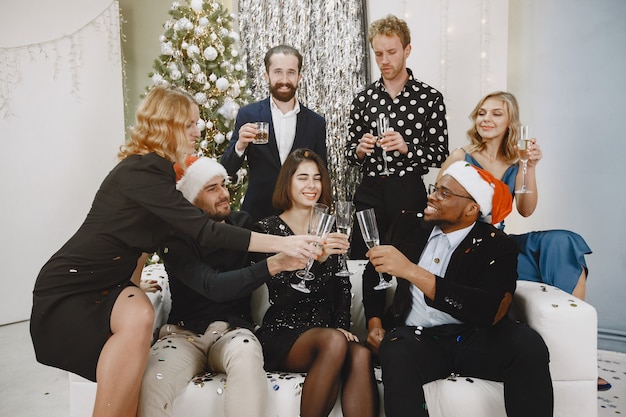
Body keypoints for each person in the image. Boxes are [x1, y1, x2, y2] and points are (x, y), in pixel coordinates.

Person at [29, 86, 321, 417]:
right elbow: (207, 231)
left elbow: (139, 245)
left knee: (138, 318)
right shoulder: (144, 169)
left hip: (110, 283)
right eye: (189, 125)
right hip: (74, 283)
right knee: (134, 336)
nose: (197, 131)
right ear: (166, 125)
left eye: (196, 123)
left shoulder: (161, 175)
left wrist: (134, 285)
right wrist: (284, 244)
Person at [438, 91, 608, 390]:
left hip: (501, 243)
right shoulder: (460, 157)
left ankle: (577, 358)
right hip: (467, 246)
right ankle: (560, 361)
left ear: (510, 122)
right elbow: (437, 209)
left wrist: (530, 167)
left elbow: (526, 210)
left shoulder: (516, 160)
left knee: (565, 244)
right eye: (482, 113)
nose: (486, 119)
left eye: (496, 114)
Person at [363, 160, 553, 417]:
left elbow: (490, 311)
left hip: (475, 336)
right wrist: (374, 324)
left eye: (445, 193)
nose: (431, 196)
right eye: (435, 188)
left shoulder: (496, 245)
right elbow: (373, 272)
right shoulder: (408, 224)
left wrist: (412, 271)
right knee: (395, 351)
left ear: (472, 208)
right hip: (417, 338)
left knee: (528, 344)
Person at [138, 156, 306, 417]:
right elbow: (212, 285)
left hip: (233, 331)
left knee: (248, 355)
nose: (224, 194)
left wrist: (313, 244)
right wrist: (273, 264)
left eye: (224, 185)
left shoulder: (242, 225)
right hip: (184, 334)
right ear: (192, 198)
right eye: (212, 188)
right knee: (153, 379)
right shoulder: (175, 238)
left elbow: (280, 240)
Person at [253, 148, 378, 417]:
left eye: (317, 178)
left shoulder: (333, 230)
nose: (312, 185)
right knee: (334, 342)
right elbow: (282, 294)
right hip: (285, 331)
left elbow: (343, 286)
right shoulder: (268, 230)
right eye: (303, 178)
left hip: (326, 331)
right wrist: (316, 260)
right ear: (287, 182)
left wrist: (342, 326)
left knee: (361, 354)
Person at [346, 14, 449, 260]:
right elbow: (349, 153)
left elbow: (440, 154)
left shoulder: (430, 98)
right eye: (378, 54)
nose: (384, 60)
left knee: (409, 260)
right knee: (364, 259)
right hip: (369, 188)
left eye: (391, 52)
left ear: (407, 50)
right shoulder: (363, 99)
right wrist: (359, 150)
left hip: (408, 189)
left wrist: (407, 148)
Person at [222, 44, 327, 222]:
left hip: (300, 217)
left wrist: (319, 217)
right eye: (278, 72)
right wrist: (240, 145)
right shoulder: (248, 115)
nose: (284, 79)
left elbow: (322, 174)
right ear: (266, 76)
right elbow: (227, 169)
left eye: (291, 72)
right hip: (257, 214)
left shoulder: (316, 122)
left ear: (299, 77)